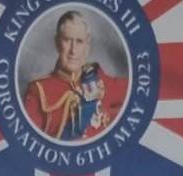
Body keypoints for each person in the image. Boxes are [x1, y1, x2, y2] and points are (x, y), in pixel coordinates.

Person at [23, 9, 127, 142]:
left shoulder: (98, 78)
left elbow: (138, 90)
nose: (73, 50)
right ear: (57, 42)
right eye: (67, 40)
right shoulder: (38, 90)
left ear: (87, 45)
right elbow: (29, 145)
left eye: (79, 41)